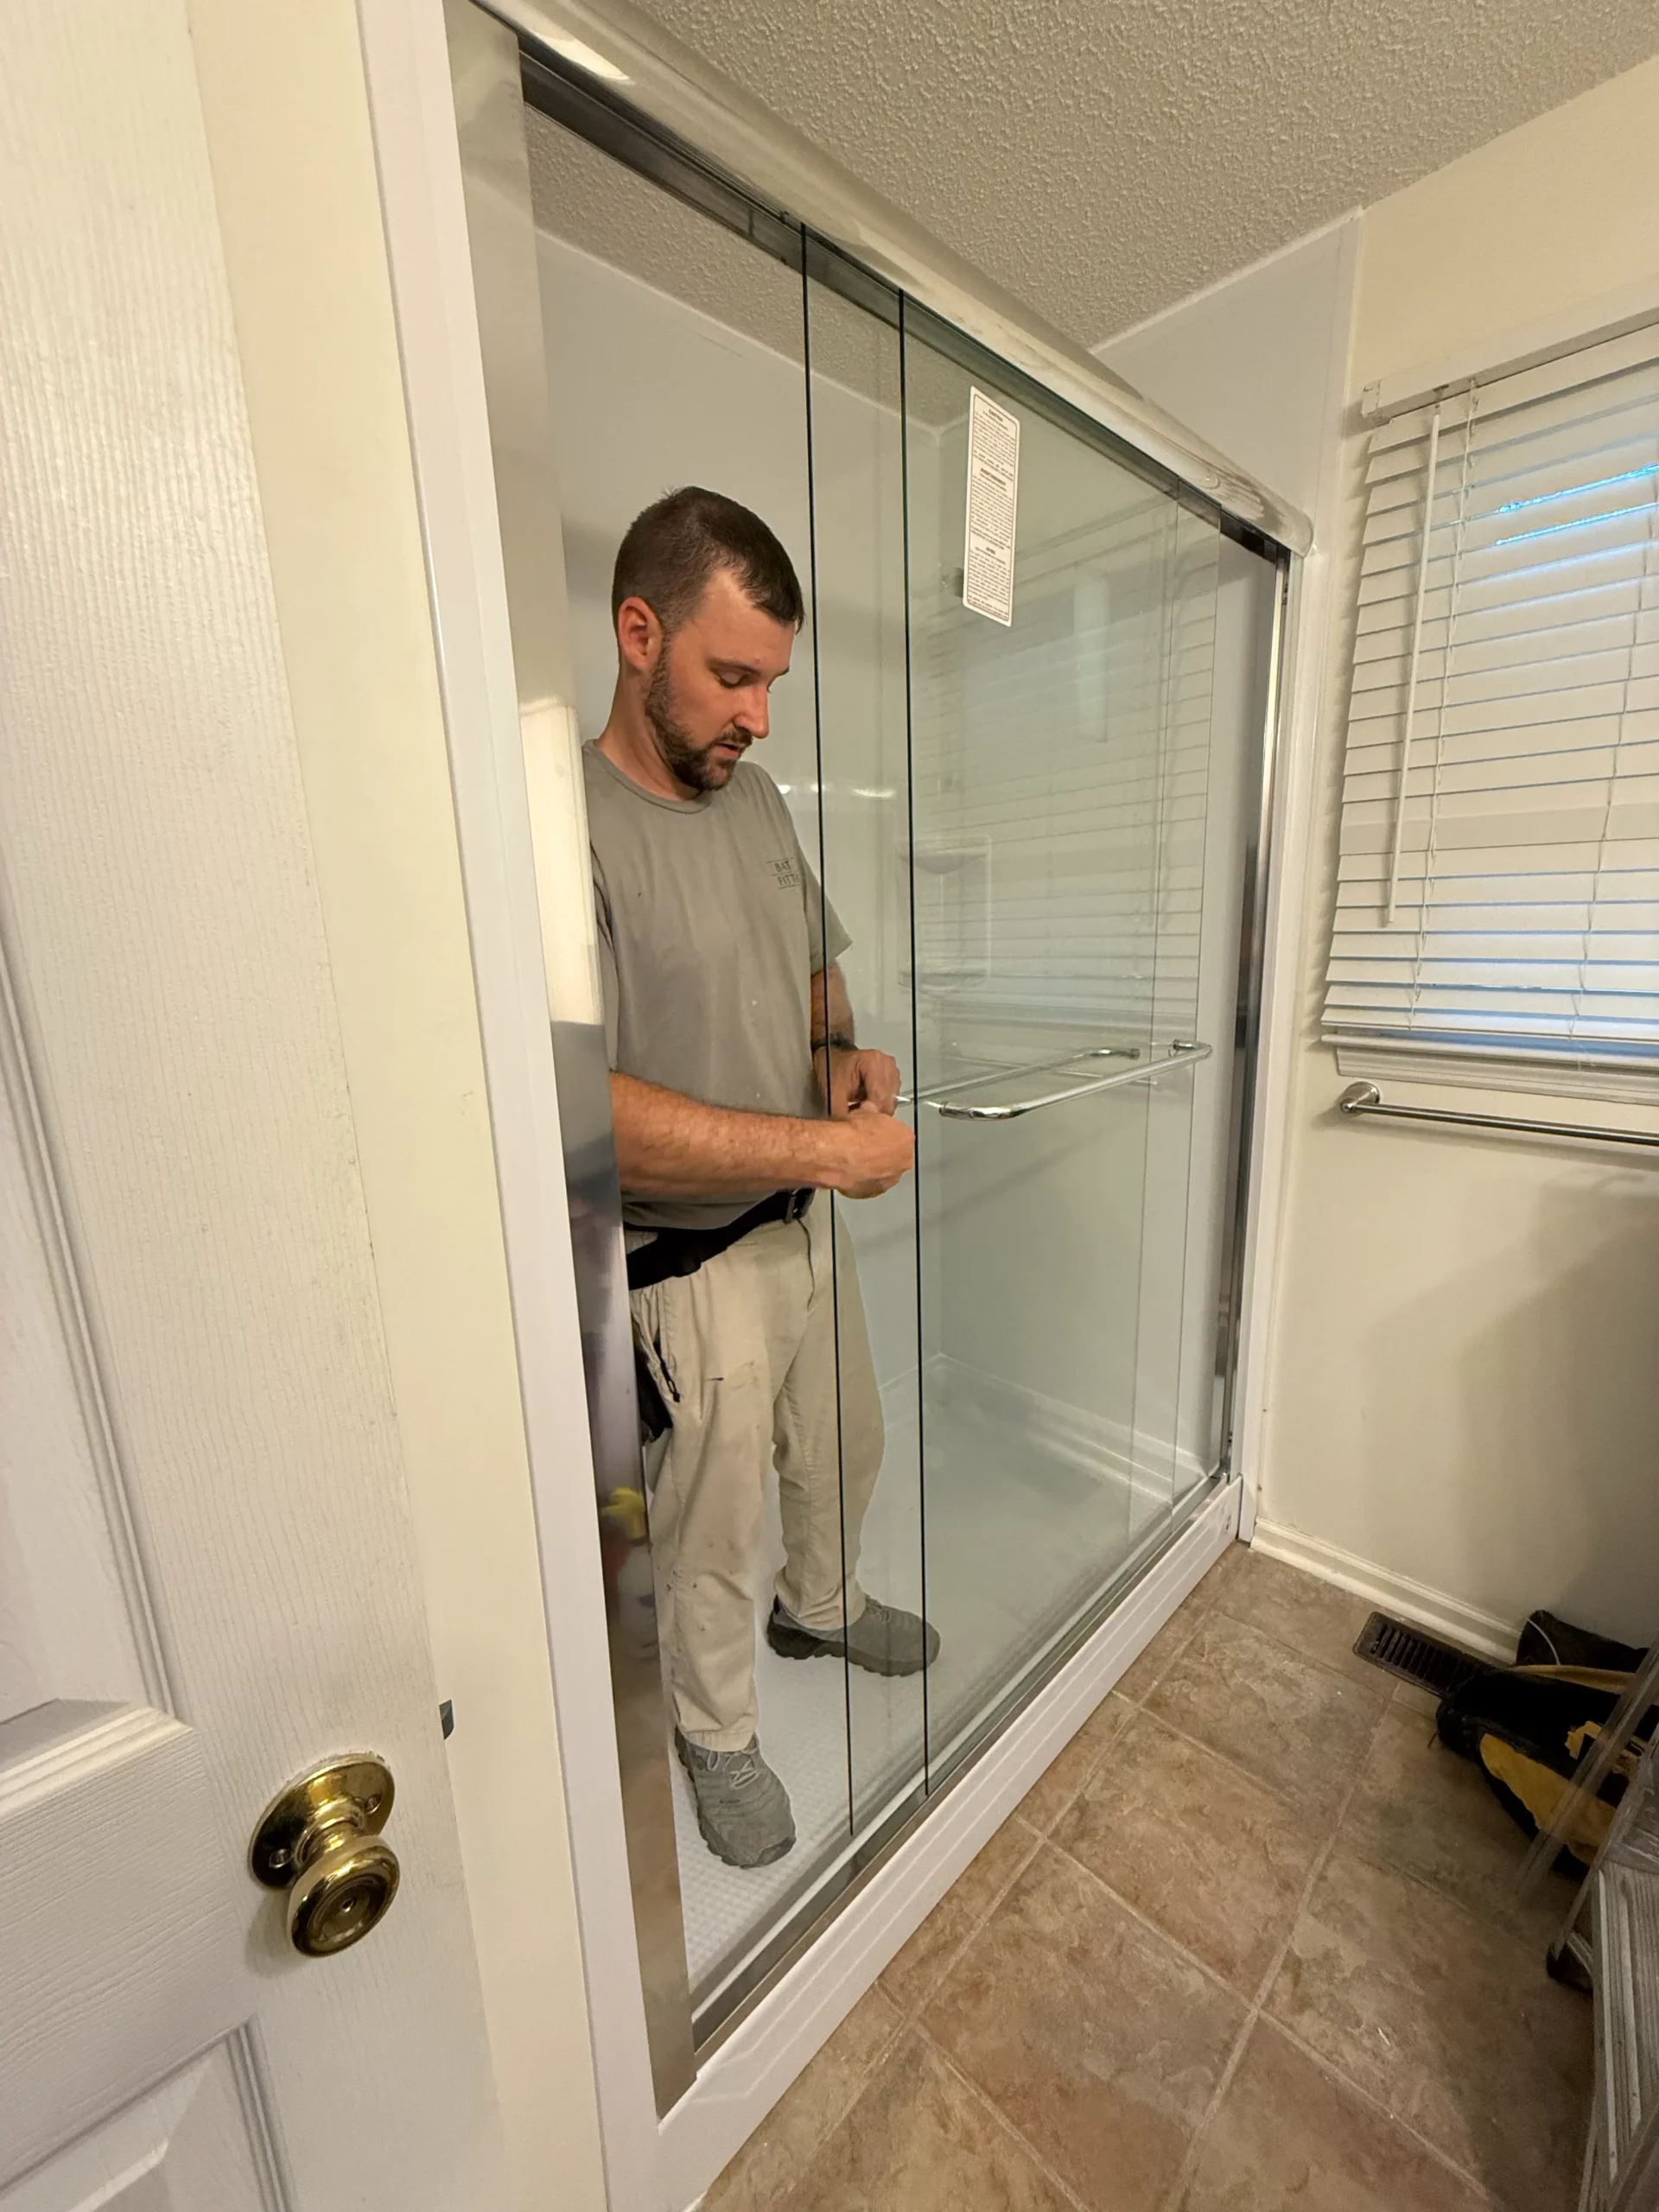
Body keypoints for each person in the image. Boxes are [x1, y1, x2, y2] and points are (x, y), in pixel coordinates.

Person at [584, 486, 937, 1870]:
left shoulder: (759, 800)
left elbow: (808, 977)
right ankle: (715, 1729)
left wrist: (841, 1055)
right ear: (639, 634)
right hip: (687, 1265)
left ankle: (823, 1607)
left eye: (773, 682)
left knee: (846, 1442)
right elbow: (588, 1114)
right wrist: (827, 1150)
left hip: (802, 1225)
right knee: (710, 1526)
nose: (760, 716)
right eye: (734, 676)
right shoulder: (569, 830)